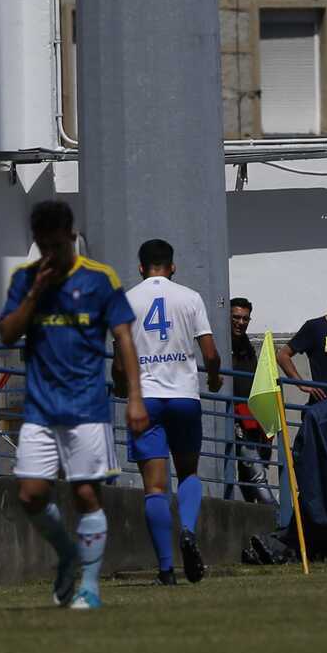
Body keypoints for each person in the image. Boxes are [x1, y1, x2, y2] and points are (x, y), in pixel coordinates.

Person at [0, 198, 149, 609]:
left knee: (85, 494)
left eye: (57, 245)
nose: (50, 254)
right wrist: (35, 294)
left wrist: (135, 398)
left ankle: (90, 586)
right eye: (43, 246)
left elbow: (124, 338)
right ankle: (67, 554)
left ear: (72, 237)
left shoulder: (99, 278)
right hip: (40, 408)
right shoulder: (25, 278)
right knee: (30, 495)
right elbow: (8, 333)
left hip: (86, 406)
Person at [128, 238, 220, 584]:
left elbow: (120, 361)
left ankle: (166, 570)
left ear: (141, 268)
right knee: (189, 473)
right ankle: (188, 530)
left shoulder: (127, 301)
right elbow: (210, 353)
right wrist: (213, 378)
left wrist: (122, 386)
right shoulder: (190, 298)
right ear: (173, 266)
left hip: (146, 399)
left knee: (154, 488)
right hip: (184, 397)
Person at [227, 297, 273, 503]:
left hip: (250, 417)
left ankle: (262, 512)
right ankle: (275, 512)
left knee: (251, 474)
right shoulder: (221, 341)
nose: (241, 322)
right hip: (232, 415)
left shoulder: (247, 346)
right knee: (256, 473)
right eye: (236, 317)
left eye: (245, 318)